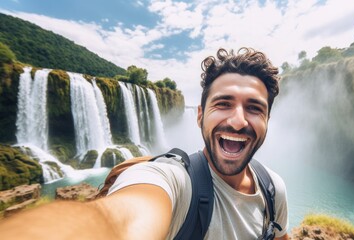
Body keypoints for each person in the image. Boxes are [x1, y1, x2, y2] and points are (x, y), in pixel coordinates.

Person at [0, 47, 289, 240]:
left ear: (267, 119)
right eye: (223, 103)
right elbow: (122, 219)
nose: (238, 121)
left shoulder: (273, 189)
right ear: (200, 116)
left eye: (254, 108)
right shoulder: (173, 181)